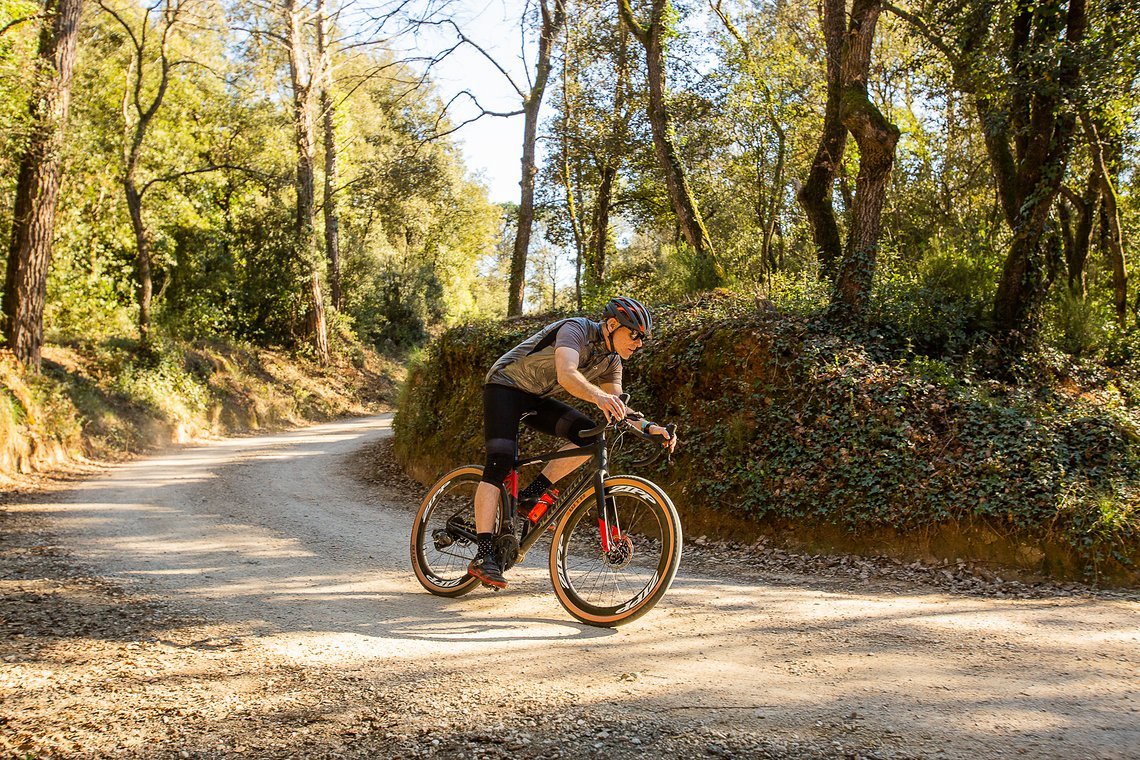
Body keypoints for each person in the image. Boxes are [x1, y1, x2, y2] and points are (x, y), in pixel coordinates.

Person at [468, 296, 676, 589]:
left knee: (587, 434)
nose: (639, 343)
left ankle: (530, 496)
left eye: (643, 338)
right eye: (635, 334)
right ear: (613, 324)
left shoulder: (612, 360)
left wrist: (649, 427)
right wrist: (599, 397)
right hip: (504, 386)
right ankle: (484, 554)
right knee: (500, 463)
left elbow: (618, 406)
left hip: (536, 396)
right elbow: (567, 374)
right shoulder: (575, 329)